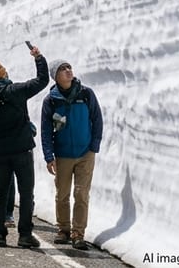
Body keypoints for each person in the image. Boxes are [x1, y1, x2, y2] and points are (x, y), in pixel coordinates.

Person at [0, 46, 48, 249]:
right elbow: (42, 80)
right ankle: (25, 235)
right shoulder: (14, 91)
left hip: (0, 151)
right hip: (22, 150)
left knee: (0, 192)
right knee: (26, 193)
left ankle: (0, 235)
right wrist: (38, 58)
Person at [41, 59, 103, 250]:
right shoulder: (51, 100)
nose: (68, 71)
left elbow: (97, 119)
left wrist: (94, 146)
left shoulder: (86, 94)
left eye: (69, 67)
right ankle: (63, 229)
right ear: (55, 76)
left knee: (81, 194)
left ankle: (78, 233)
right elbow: (46, 130)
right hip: (62, 155)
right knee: (62, 195)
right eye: (62, 69)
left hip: (85, 154)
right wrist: (49, 155)